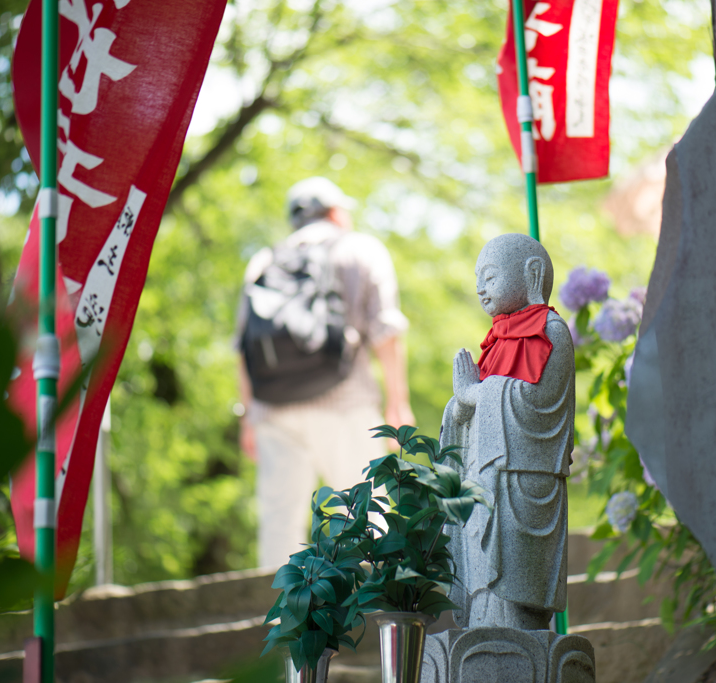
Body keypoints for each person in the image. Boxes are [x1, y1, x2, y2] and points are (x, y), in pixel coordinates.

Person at [235, 177, 414, 568]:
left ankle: (278, 620)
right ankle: (377, 614)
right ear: (336, 212)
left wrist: (249, 416)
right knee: (365, 515)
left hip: (273, 409)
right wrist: (398, 404)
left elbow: (244, 347)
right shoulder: (361, 248)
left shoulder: (264, 261)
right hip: (345, 404)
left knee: (280, 521)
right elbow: (385, 330)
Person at [441, 233, 575, 631]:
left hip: (526, 482)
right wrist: (463, 402)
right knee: (483, 597)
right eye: (478, 277)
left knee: (515, 605)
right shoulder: (497, 342)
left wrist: (478, 393)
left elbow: (540, 406)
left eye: (491, 276)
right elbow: (477, 401)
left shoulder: (552, 331)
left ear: (531, 272)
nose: (481, 287)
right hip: (487, 480)